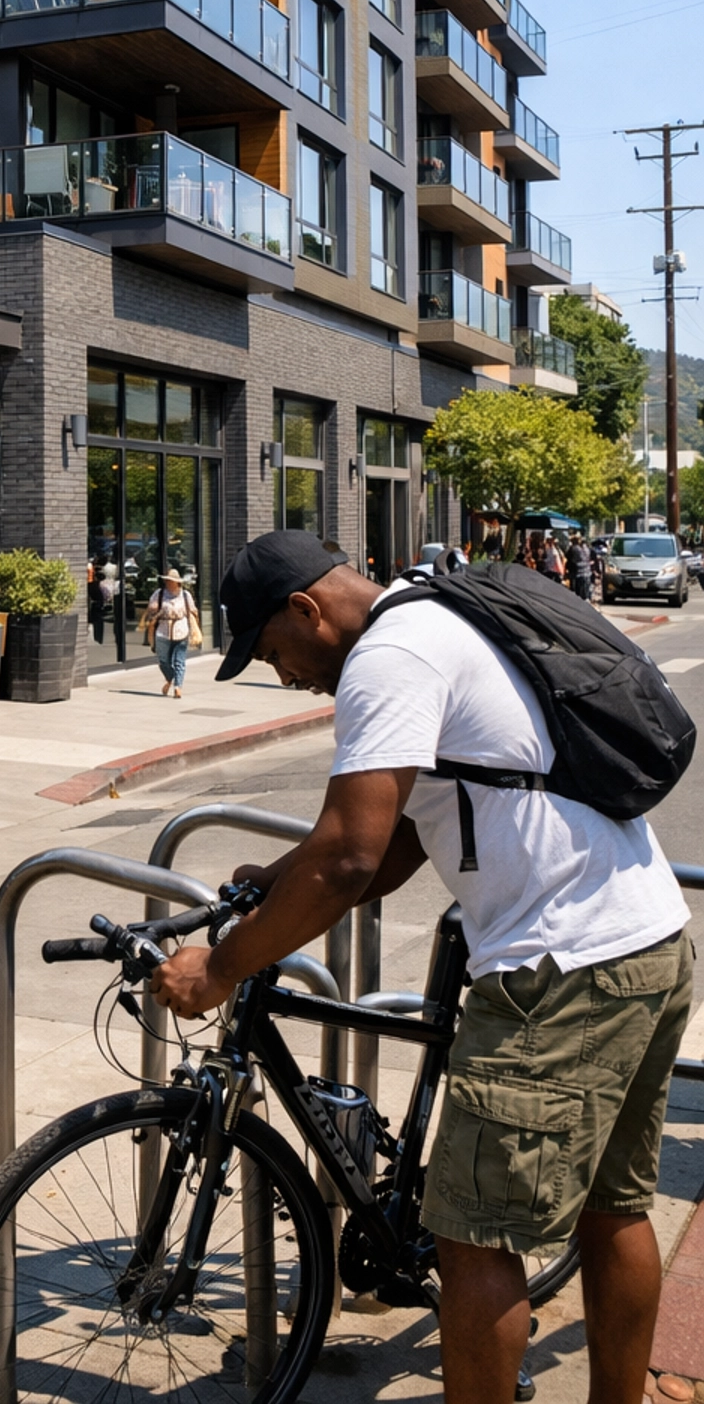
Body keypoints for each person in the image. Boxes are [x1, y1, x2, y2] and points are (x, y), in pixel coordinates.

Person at [151, 529, 691, 1404]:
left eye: (276, 652)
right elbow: (391, 843)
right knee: (611, 1208)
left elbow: (350, 863)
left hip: (560, 973)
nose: (284, 674)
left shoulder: (390, 657)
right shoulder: (435, 610)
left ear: (307, 610)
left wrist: (218, 968)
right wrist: (276, 880)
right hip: (646, 939)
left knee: (474, 1241)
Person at [139, 564, 200, 697]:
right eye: (167, 580)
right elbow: (151, 609)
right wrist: (153, 612)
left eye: (171, 581)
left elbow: (192, 611)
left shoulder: (185, 595)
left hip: (181, 628)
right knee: (163, 660)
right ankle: (170, 678)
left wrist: (195, 628)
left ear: (177, 582)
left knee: (179, 660)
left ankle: (178, 686)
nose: (168, 583)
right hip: (163, 630)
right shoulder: (159, 594)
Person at [567, 535, 595, 602]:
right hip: (587, 572)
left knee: (578, 593)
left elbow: (568, 557)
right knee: (585, 593)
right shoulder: (586, 549)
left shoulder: (574, 549)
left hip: (578, 573)